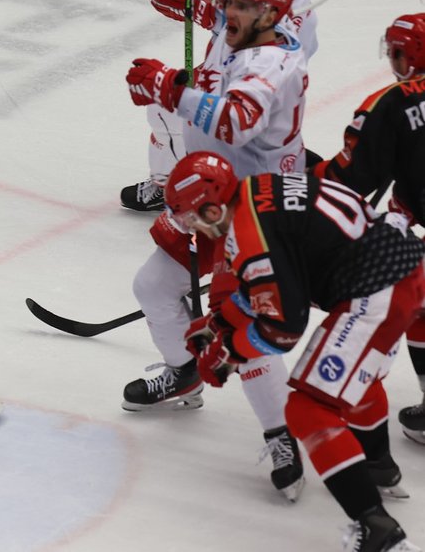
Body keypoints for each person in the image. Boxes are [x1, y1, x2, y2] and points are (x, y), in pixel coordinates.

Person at [167, 152, 424, 552]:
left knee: (306, 407)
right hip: (401, 268)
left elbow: (284, 329)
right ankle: (377, 467)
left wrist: (229, 352)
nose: (193, 228)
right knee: (352, 381)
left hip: (377, 290)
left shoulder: (248, 233)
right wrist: (219, 324)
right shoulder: (257, 191)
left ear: (213, 207)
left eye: (191, 218)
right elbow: (280, 280)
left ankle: (378, 530)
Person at [119, 0, 310, 500]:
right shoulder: (242, 25)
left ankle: (281, 436)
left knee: (244, 329)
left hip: (254, 211)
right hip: (209, 192)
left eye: (240, 4)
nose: (227, 11)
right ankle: (183, 374)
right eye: (227, 1)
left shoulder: (272, 62)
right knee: (153, 286)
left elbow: (236, 120)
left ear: (271, 13)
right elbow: (202, 6)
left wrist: (165, 86)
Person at [68, 0, 317, 211]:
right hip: (238, 39)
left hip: (257, 50)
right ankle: (184, 182)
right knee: (180, 113)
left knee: (194, 115)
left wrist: (204, 10)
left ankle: (191, 187)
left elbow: (269, 24)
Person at [310, 13, 425, 445]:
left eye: (396, 53)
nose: (393, 61)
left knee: (412, 298)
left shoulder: (390, 103)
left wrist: (305, 175)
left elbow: (353, 177)